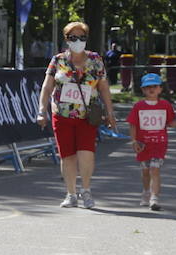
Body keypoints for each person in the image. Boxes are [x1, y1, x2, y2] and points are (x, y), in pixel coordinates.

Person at [36, 21, 116, 208]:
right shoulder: (58, 60)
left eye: (82, 37)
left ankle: (86, 191)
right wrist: (42, 110)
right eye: (73, 37)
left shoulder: (96, 60)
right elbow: (47, 88)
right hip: (62, 115)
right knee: (68, 156)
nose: (78, 41)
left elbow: (104, 88)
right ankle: (70, 193)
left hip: (87, 115)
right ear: (66, 40)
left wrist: (110, 112)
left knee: (86, 153)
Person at [125, 73, 176, 211]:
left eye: (155, 86)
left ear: (160, 89)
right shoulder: (138, 106)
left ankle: (154, 197)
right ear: (143, 89)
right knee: (146, 171)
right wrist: (134, 141)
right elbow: (133, 125)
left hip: (159, 144)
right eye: (148, 87)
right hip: (143, 144)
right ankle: (146, 191)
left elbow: (170, 122)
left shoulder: (165, 105)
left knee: (154, 169)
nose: (151, 89)